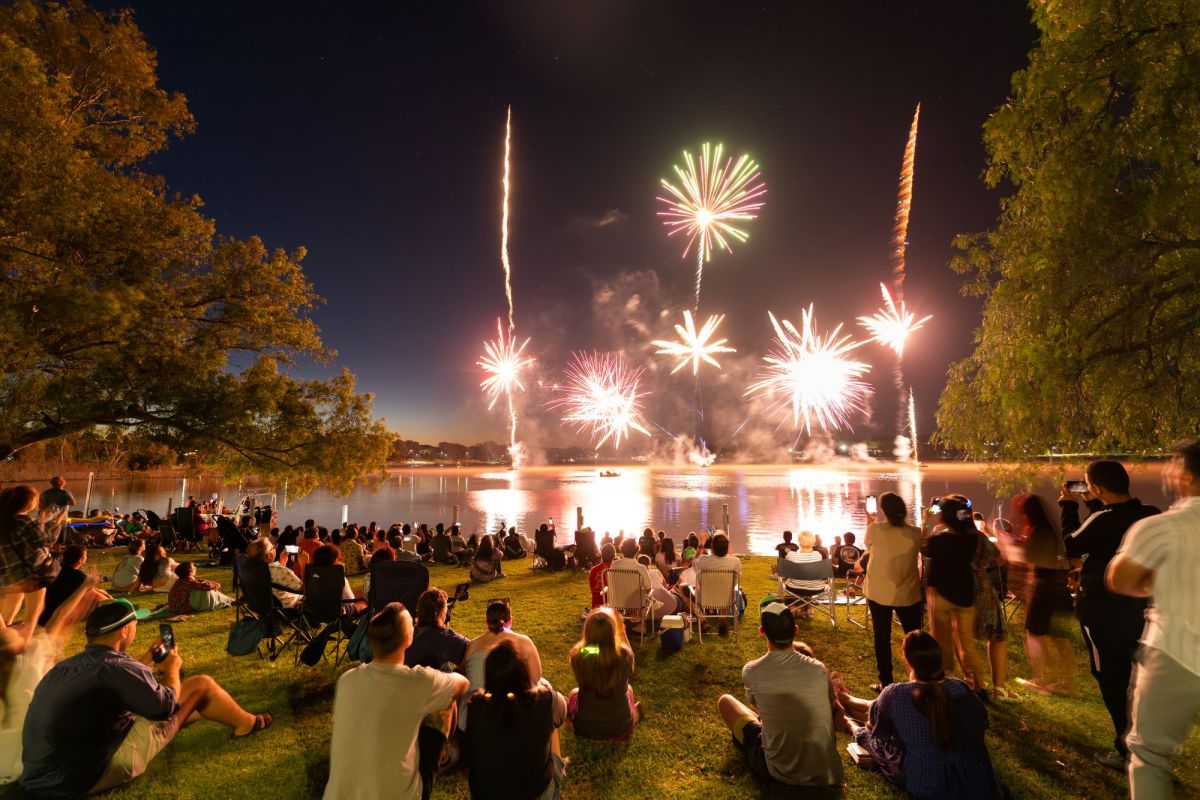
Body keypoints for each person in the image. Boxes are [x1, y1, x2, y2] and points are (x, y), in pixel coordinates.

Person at [21, 598, 271, 796]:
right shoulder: (117, 668)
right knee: (199, 685)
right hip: (80, 778)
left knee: (186, 705)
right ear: (125, 630)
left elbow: (118, 682)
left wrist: (148, 658)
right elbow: (163, 707)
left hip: (40, 776)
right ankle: (247, 723)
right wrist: (172, 669)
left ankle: (230, 715)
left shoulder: (70, 667)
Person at [1108, 439, 1200, 799]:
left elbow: (1120, 580)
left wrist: (1156, 580)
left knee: (1149, 753)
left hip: (1175, 650)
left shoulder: (1162, 527)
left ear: (1187, 476)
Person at [1060, 460, 1161, 770]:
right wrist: (1095, 504)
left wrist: (1068, 507)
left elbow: (1073, 544)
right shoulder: (1150, 515)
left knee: (1110, 678)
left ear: (1097, 488)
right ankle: (1149, 742)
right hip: (1141, 608)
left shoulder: (1102, 518)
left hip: (1102, 612)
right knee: (1137, 677)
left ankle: (1126, 748)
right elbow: (1108, 528)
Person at [324, 602, 469, 800]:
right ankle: (444, 756)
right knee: (446, 703)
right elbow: (462, 684)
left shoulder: (347, 680)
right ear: (408, 638)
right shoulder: (417, 681)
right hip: (401, 795)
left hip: (339, 795)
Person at [841, 631, 1001, 799]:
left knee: (874, 740)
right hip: (975, 777)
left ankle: (847, 722)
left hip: (927, 781)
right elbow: (982, 722)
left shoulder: (896, 694)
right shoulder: (961, 687)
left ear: (908, 662)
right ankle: (846, 700)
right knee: (882, 711)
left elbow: (879, 734)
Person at [717, 598, 843, 787]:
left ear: (762, 632)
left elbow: (760, 711)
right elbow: (833, 709)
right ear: (796, 631)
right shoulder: (819, 668)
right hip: (827, 770)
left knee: (725, 701)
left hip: (779, 770)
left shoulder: (752, 671)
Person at [0, 579, 98, 784]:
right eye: (13, 628)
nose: (17, 626)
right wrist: (84, 586)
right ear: (15, 647)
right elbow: (61, 617)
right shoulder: (30, 662)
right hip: (27, 759)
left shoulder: (23, 662)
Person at [464, 640, 567, 800]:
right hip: (536, 793)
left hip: (486, 794)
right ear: (522, 672)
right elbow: (562, 713)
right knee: (552, 721)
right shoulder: (545, 699)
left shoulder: (476, 705)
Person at [1011, 492, 1076, 696]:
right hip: (1057, 584)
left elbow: (1030, 557)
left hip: (1043, 585)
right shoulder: (1050, 530)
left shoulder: (1039, 531)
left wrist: (1015, 545)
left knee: (1034, 633)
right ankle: (1068, 683)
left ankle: (1040, 679)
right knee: (1058, 637)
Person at [922, 494, 987, 692]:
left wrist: (926, 520)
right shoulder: (971, 538)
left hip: (941, 594)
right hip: (965, 595)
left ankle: (947, 679)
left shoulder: (940, 538)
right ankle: (978, 684)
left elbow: (924, 548)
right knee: (967, 642)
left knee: (942, 641)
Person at [861, 492, 924, 690]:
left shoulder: (875, 529)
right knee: (915, 638)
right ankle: (921, 679)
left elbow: (868, 545)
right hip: (908, 592)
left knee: (882, 638)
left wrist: (870, 522)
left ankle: (886, 683)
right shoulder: (915, 532)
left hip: (879, 592)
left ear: (883, 511)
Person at [459, 599, 543, 733]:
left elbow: (463, 672)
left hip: (473, 714)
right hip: (514, 710)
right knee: (545, 686)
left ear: (487, 623)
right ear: (510, 620)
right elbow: (536, 676)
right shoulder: (523, 642)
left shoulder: (473, 646)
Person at [568, 608, 639, 741]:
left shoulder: (578, 655)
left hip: (584, 727)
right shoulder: (624, 654)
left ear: (587, 631)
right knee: (629, 688)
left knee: (573, 692)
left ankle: (571, 719)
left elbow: (591, 650)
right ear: (613, 632)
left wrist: (590, 642)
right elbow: (628, 659)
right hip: (621, 727)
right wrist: (622, 632)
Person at [0, 487, 66, 622]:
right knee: (34, 614)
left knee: (9, 612)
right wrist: (51, 521)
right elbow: (47, 541)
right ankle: (25, 636)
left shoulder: (4, 522)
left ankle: (5, 637)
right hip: (33, 573)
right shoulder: (26, 520)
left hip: (9, 576)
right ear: (28, 503)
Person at [37, 546, 108, 628]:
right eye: (85, 555)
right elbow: (93, 591)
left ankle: (112, 602)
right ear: (80, 560)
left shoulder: (55, 570)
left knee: (94, 592)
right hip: (58, 616)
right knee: (95, 595)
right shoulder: (79, 577)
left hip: (43, 614)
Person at [404, 588, 470, 671]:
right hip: (436, 683)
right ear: (440, 612)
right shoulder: (445, 638)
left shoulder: (406, 634)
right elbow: (474, 649)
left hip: (407, 682)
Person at [166, 562, 232, 614]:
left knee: (203, 589)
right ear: (190, 572)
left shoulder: (181, 580)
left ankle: (228, 600)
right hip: (181, 608)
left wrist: (212, 582)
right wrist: (214, 586)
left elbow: (199, 581)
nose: (195, 568)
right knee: (206, 591)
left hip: (173, 606)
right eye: (193, 567)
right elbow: (205, 586)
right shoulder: (188, 582)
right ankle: (224, 602)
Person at [588, 544, 615, 609]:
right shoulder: (616, 569)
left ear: (602, 555)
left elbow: (592, 590)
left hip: (596, 606)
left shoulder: (593, 570)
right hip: (611, 606)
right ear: (614, 555)